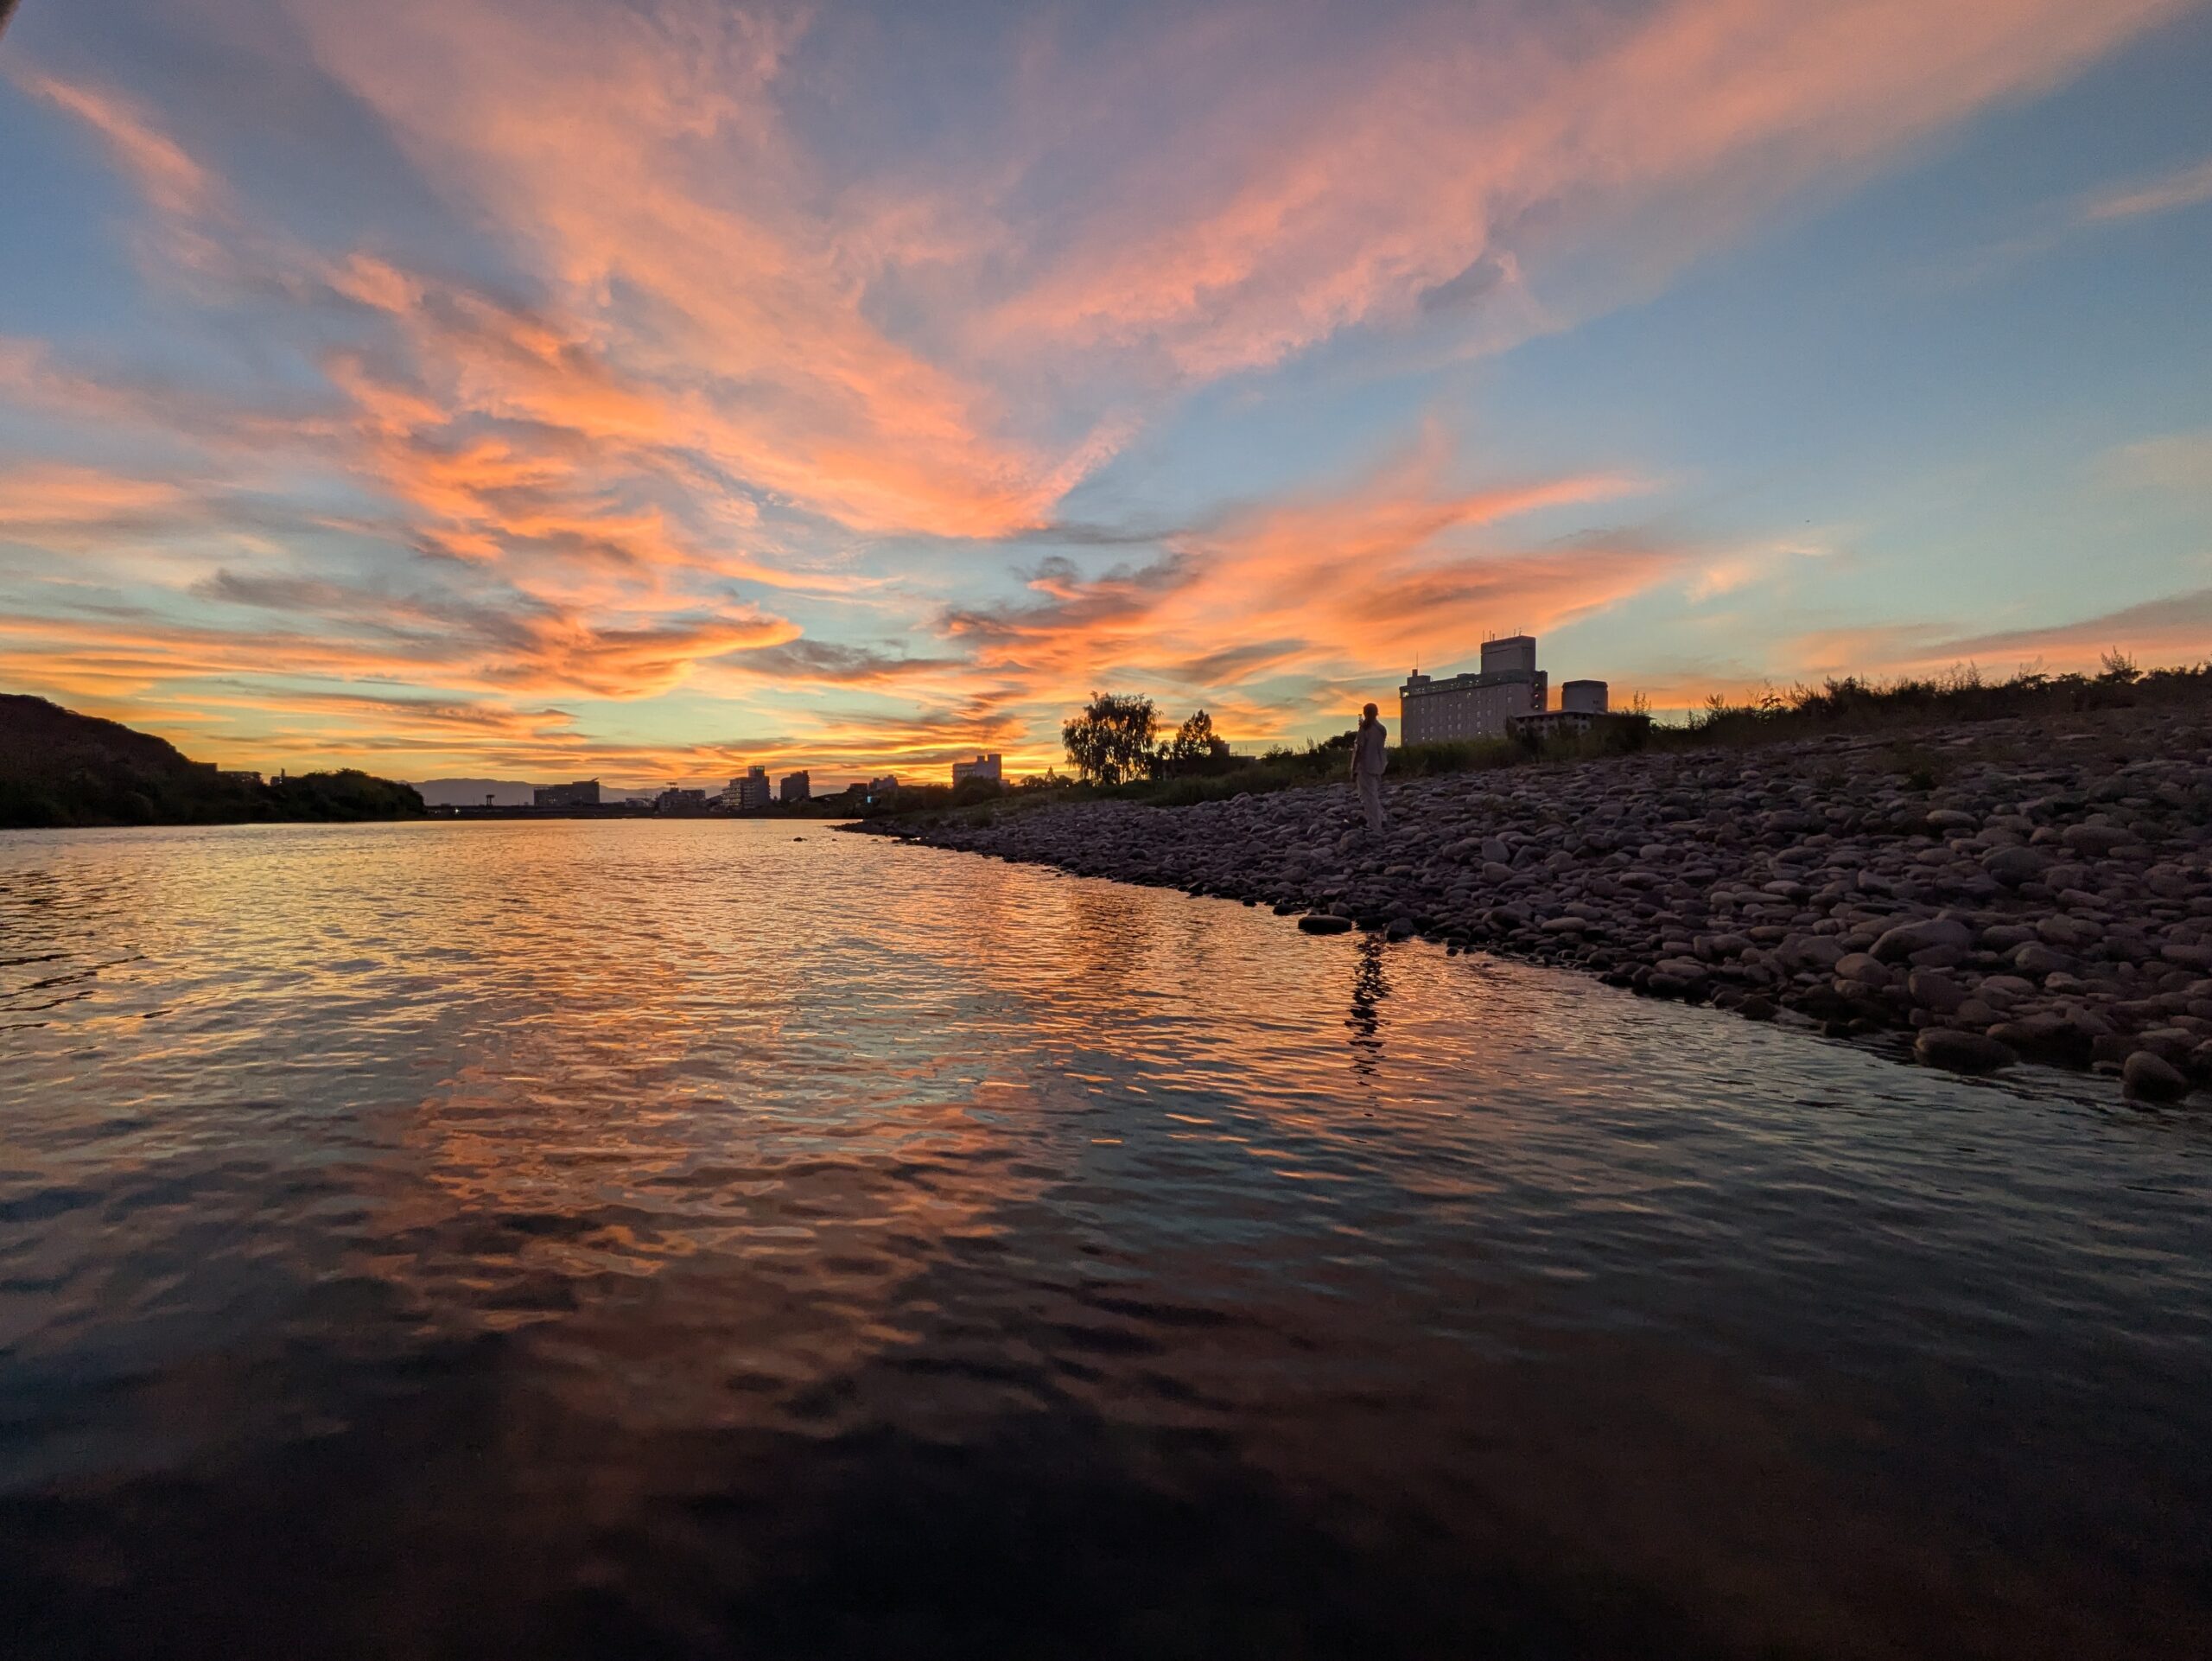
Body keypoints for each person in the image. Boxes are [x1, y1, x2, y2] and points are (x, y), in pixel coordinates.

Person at [1351, 701, 1389, 832]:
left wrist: (1353, 769)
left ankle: (1374, 825)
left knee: (1368, 796)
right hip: (1379, 764)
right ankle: (1380, 819)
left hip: (1365, 766)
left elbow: (1359, 751)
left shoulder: (1364, 729)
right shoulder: (1382, 729)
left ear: (1366, 713)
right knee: (1373, 793)